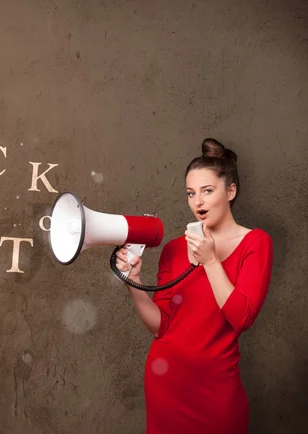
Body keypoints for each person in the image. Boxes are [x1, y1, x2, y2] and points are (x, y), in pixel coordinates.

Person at [115, 138, 274, 434]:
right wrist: (133, 282)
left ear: (231, 191)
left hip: (216, 391)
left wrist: (211, 262)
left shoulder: (256, 243)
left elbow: (242, 318)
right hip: (166, 385)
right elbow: (160, 327)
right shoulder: (174, 249)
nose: (197, 202)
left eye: (207, 191)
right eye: (191, 193)